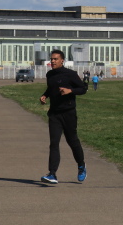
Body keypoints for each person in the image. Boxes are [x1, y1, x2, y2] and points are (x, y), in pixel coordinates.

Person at [40, 50, 87, 185]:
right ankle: (52, 173)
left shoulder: (70, 74)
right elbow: (51, 88)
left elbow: (83, 89)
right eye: (51, 59)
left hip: (68, 113)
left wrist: (70, 91)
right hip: (54, 114)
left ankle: (81, 165)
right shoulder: (50, 74)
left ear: (62, 60)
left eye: (55, 59)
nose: (53, 61)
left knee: (72, 141)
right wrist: (45, 95)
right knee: (54, 143)